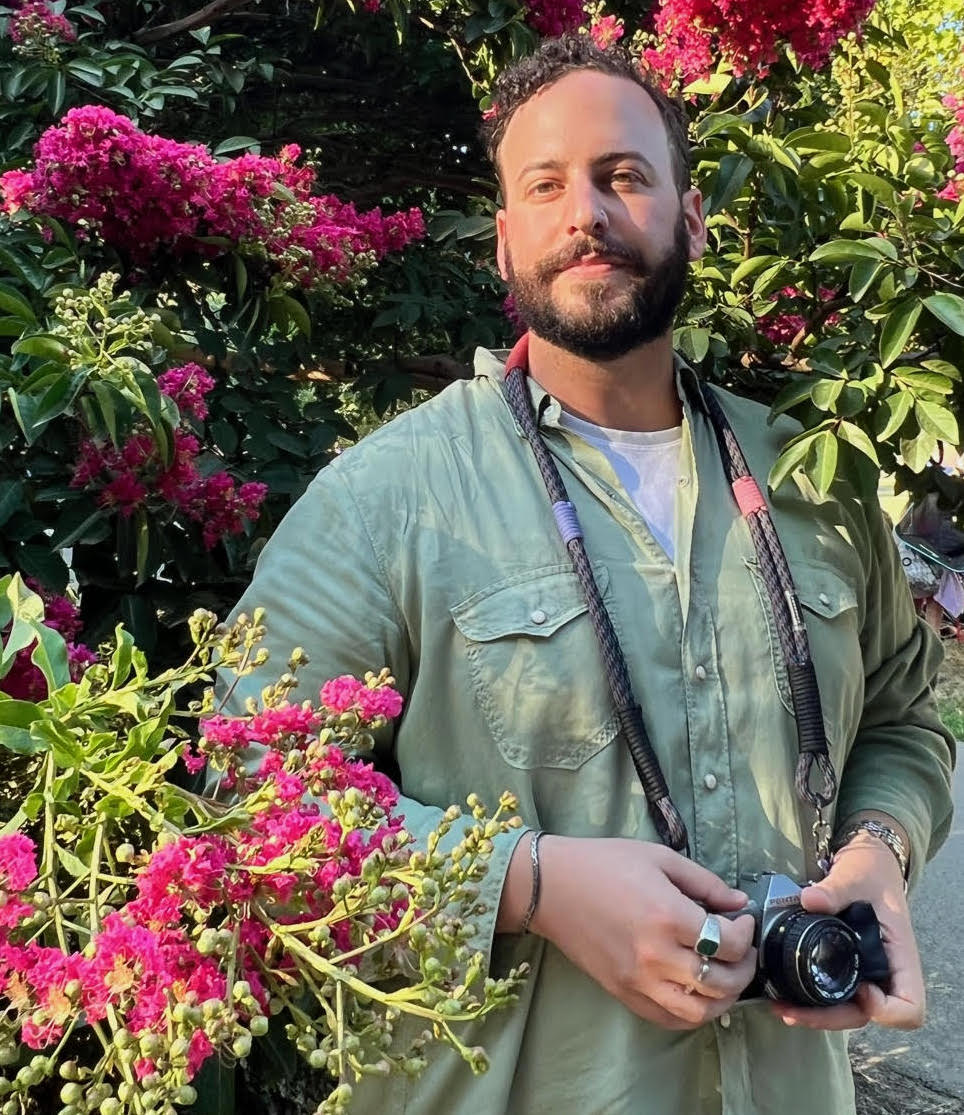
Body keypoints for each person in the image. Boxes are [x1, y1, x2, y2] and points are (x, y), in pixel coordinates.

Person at [219, 34, 955, 1115]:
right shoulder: (386, 498)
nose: (587, 215)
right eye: (546, 185)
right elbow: (247, 794)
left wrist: (879, 850)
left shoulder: (812, 480)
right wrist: (531, 882)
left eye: (622, 176)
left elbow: (904, 720)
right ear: (503, 241)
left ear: (689, 215)